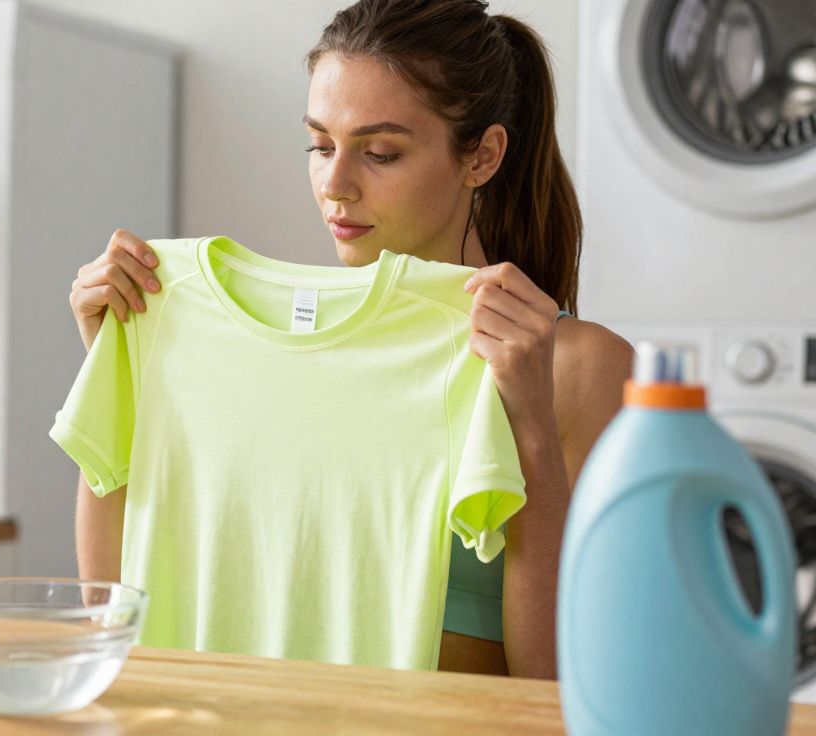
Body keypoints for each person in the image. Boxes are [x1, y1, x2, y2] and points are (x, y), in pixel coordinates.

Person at [65, 0, 633, 679]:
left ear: (482, 156)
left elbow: (564, 685)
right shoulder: (235, 336)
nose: (336, 186)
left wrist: (530, 427)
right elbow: (113, 614)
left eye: (380, 153)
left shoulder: (579, 367)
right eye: (320, 145)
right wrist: (122, 372)